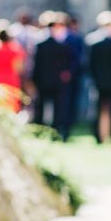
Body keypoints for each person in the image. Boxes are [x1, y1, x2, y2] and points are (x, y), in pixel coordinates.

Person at [32, 12, 75, 140]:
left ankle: (55, 131)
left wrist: (67, 73)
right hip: (47, 80)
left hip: (55, 81)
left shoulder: (65, 42)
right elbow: (38, 63)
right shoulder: (45, 43)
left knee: (58, 108)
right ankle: (45, 131)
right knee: (45, 107)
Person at [88, 11, 111, 143]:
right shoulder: (95, 42)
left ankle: (102, 135)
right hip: (100, 82)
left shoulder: (93, 41)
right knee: (100, 110)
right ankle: (100, 135)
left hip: (99, 81)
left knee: (101, 110)